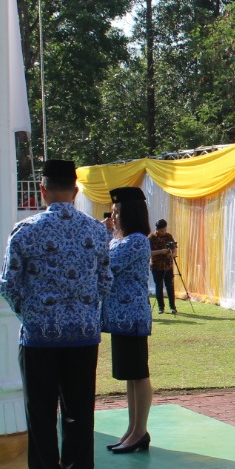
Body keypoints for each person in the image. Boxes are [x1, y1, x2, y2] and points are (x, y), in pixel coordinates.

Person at [0, 159, 112, 469]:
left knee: (42, 414)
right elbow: (105, 282)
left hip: (39, 340)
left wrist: (31, 315)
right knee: (80, 411)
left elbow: (8, 285)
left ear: (42, 190)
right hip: (83, 337)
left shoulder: (26, 230)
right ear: (76, 191)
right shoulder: (96, 231)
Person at [103, 186, 155, 454]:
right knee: (129, 377)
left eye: (118, 210)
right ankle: (132, 429)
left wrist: (101, 234)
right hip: (119, 317)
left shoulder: (136, 240)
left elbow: (107, 263)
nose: (113, 215)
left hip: (132, 315)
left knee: (138, 374)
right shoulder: (118, 238)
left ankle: (140, 431)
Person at [149, 218, 178, 314]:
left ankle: (172, 307)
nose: (164, 232)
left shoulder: (169, 236)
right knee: (159, 286)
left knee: (170, 286)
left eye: (165, 230)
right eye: (162, 230)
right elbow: (148, 252)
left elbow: (174, 247)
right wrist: (161, 251)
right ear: (157, 229)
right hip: (157, 266)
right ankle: (161, 307)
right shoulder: (151, 238)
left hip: (168, 265)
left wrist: (173, 253)